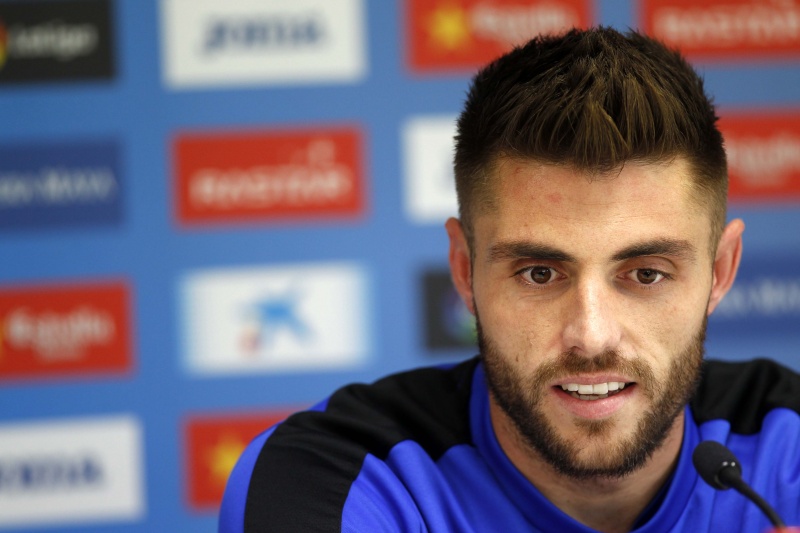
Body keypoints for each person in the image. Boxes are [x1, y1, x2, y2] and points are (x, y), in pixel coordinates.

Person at [219, 27, 800, 532]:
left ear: (720, 271)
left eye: (646, 274)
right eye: (539, 273)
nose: (592, 335)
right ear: (465, 270)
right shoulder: (335, 478)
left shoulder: (788, 447)